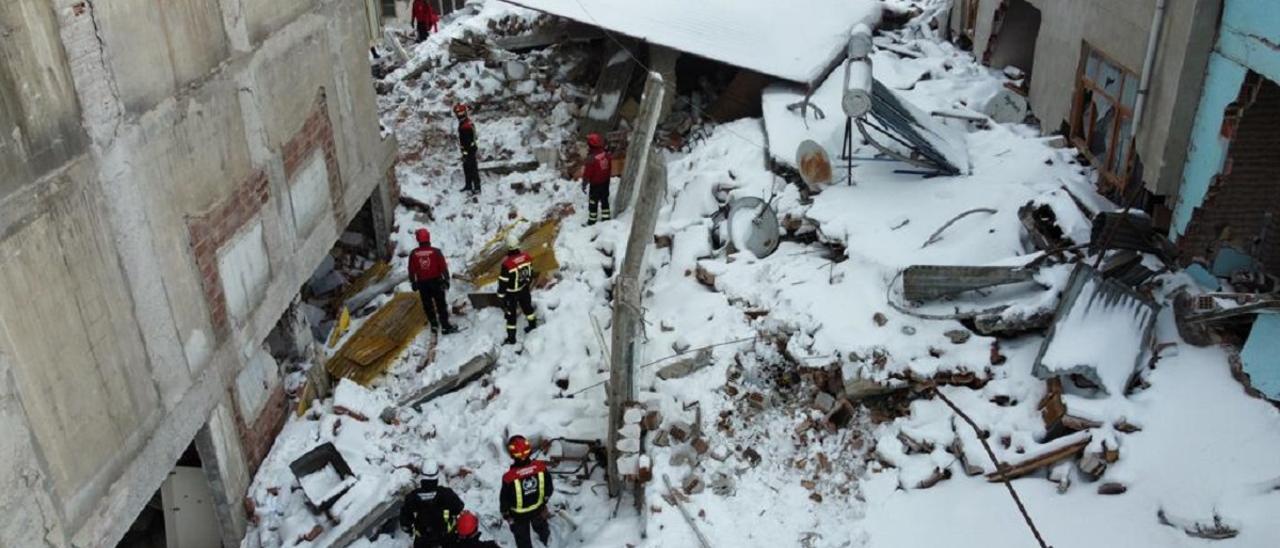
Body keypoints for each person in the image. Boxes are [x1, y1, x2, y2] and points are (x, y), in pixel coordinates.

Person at [499, 436, 554, 548]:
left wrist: (505, 513)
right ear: (529, 451)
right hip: (538, 509)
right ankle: (547, 540)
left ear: (512, 455)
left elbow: (504, 499)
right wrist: (544, 500)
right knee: (541, 528)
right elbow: (549, 488)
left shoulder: (509, 477)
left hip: (519, 516)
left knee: (522, 539)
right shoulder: (541, 467)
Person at [400, 460, 466, 548]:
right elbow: (459, 508)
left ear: (422, 475)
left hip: (423, 541)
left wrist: (410, 529)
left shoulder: (412, 497)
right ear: (437, 475)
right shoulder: (447, 494)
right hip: (447, 539)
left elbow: (405, 522)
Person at [408, 228, 458, 335]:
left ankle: (434, 324)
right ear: (428, 238)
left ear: (418, 239)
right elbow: (443, 267)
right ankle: (445, 326)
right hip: (436, 282)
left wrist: (413, 282)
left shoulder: (413, 254)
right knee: (441, 305)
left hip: (422, 284)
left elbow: (411, 270)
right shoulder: (436, 252)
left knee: (427, 305)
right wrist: (446, 280)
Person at [497, 233, 537, 345]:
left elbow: (503, 283)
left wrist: (501, 297)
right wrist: (526, 284)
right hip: (524, 289)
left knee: (511, 316)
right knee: (528, 308)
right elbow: (531, 273)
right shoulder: (527, 257)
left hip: (512, 294)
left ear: (508, 247)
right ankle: (533, 325)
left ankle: (511, 339)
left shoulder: (507, 265)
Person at [581, 133, 613, 225]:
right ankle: (606, 218)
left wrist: (584, 183)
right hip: (605, 182)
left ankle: (592, 220)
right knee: (604, 200)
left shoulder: (591, 158)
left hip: (595, 184)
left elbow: (587, 173)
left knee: (593, 202)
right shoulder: (606, 154)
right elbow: (609, 167)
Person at [455, 103, 481, 194]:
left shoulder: (466, 125)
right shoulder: (465, 123)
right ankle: (468, 185)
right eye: (458, 113)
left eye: (461, 113)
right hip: (466, 149)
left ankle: (477, 187)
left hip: (470, 149)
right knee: (466, 167)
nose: (459, 115)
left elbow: (468, 140)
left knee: (472, 168)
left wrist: (466, 151)